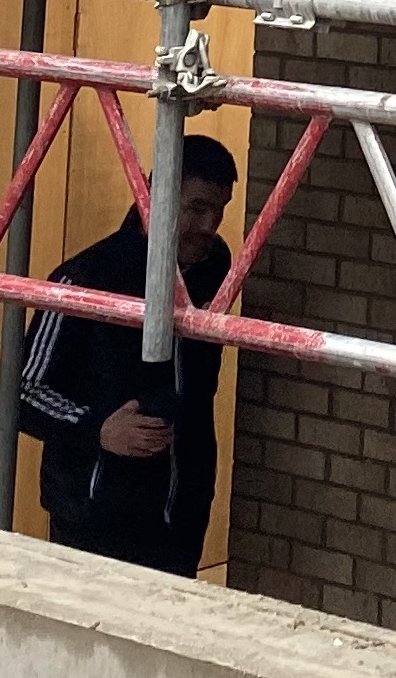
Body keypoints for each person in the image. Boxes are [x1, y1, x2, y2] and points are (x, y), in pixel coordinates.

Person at [17, 133, 238, 575]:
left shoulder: (215, 266)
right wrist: (97, 428)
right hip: (94, 516)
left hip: (181, 514)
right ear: (154, 197)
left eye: (219, 211)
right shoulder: (85, 279)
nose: (210, 226)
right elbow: (23, 393)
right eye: (197, 208)